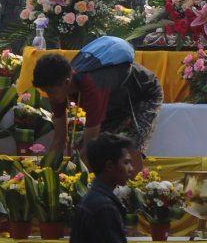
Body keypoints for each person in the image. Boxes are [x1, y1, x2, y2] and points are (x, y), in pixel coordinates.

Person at [33, 38, 162, 167]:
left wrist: (69, 179)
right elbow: (59, 139)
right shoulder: (58, 88)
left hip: (144, 94)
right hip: (114, 100)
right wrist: (45, 173)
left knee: (132, 147)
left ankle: (135, 186)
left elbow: (90, 148)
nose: (50, 97)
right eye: (46, 92)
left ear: (66, 82)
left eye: (51, 92)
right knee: (80, 149)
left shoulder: (92, 87)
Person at [69, 132, 133, 243]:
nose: (131, 169)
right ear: (109, 166)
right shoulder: (103, 207)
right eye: (126, 163)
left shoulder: (94, 199)